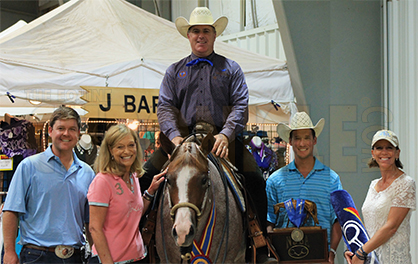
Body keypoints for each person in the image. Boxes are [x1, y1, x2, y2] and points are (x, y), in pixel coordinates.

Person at [143, 6, 275, 263]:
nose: (200, 36)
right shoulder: (174, 71)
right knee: (146, 175)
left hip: (222, 138)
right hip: (181, 139)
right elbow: (166, 107)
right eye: (195, 31)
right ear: (188, 35)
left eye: (206, 31)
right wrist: (175, 138)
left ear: (214, 35)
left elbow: (239, 104)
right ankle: (141, 239)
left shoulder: (231, 68)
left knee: (255, 179)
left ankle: (259, 241)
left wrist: (226, 135)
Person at [2, 106, 95, 264]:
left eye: (72, 129)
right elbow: (10, 211)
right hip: (36, 256)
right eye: (61, 128)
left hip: (75, 257)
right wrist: (9, 252)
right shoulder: (29, 166)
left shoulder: (87, 173)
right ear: (50, 131)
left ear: (79, 133)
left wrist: (95, 253)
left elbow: (91, 221)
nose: (66, 133)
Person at [266, 112, 343, 264]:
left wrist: (332, 253)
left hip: (321, 258)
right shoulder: (274, 181)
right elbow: (270, 221)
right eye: (297, 138)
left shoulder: (331, 179)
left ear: (314, 140)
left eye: (306, 138)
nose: (302, 144)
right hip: (285, 259)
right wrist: (274, 252)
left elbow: (338, 220)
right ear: (290, 141)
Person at [87, 124, 165, 264]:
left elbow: (134, 212)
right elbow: (94, 228)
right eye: (120, 147)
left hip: (138, 258)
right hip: (112, 260)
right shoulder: (102, 181)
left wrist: (150, 191)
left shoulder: (133, 176)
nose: (127, 151)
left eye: (131, 145)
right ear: (110, 150)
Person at [344, 130, 416, 264]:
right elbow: (370, 223)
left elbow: (391, 227)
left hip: (393, 259)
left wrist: (361, 253)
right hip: (370, 259)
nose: (384, 152)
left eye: (389, 148)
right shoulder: (373, 185)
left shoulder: (406, 183)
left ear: (397, 153)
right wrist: (356, 249)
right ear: (373, 153)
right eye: (379, 148)